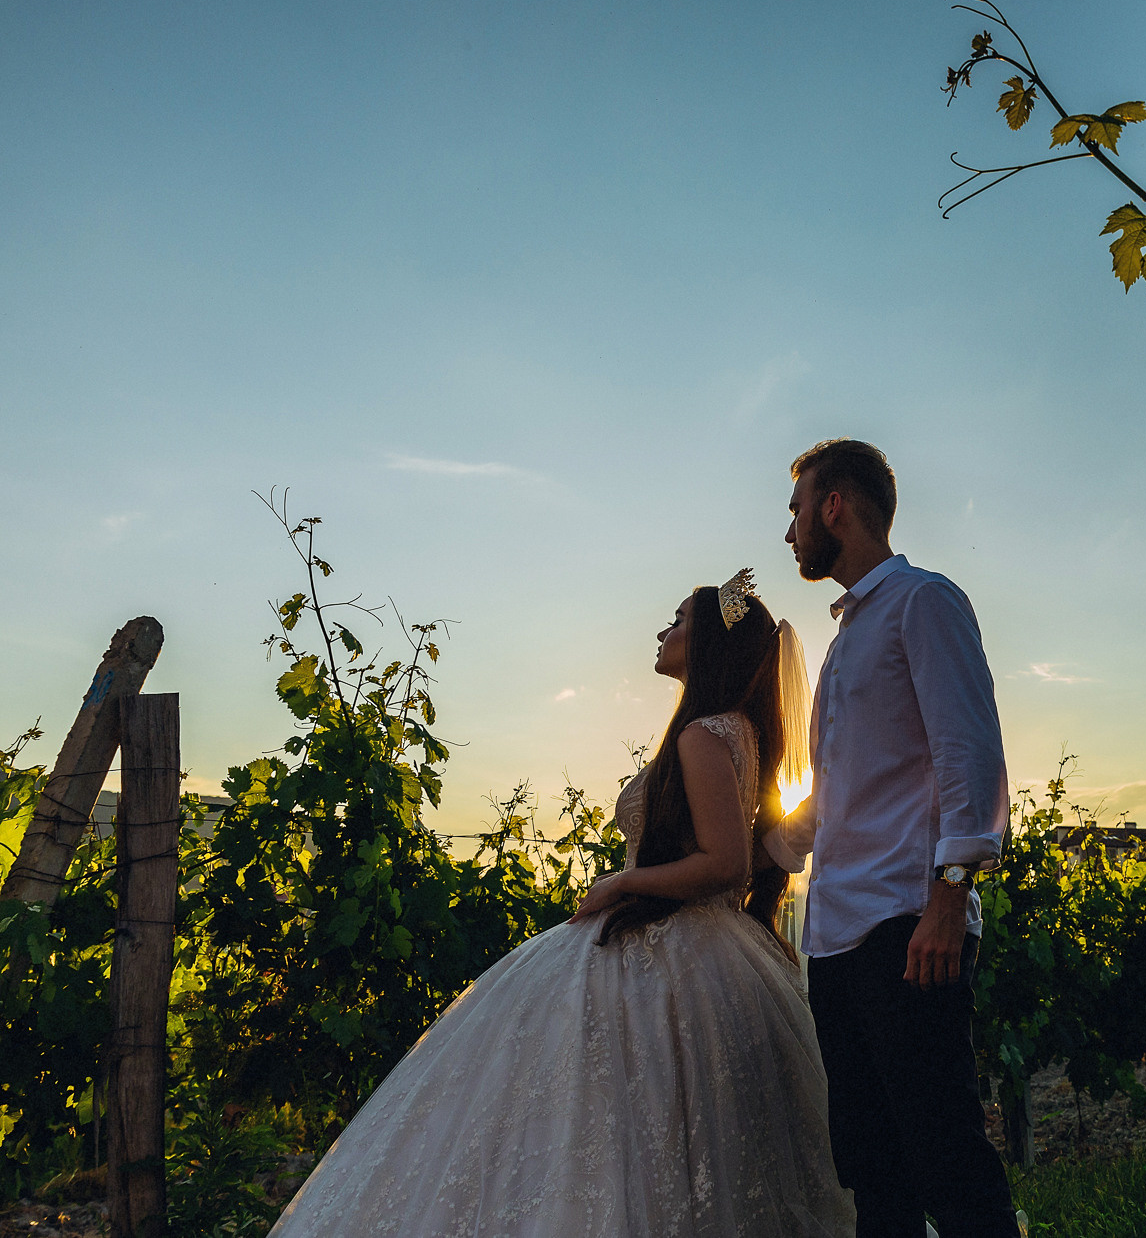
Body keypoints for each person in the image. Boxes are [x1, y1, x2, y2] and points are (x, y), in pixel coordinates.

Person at [268, 571, 855, 1238]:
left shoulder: (702, 734)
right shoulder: (737, 730)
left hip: (675, 946)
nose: (664, 631)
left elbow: (725, 863)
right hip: (711, 952)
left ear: (709, 644)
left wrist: (622, 883)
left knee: (601, 1117)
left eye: (678, 620)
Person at [763, 439, 1019, 1238]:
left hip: (908, 931)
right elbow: (830, 801)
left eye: (797, 508)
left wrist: (949, 898)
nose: (791, 530)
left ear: (835, 503)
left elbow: (969, 754)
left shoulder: (924, 602)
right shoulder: (843, 644)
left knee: (948, 1162)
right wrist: (749, 854)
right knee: (873, 1175)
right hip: (836, 946)